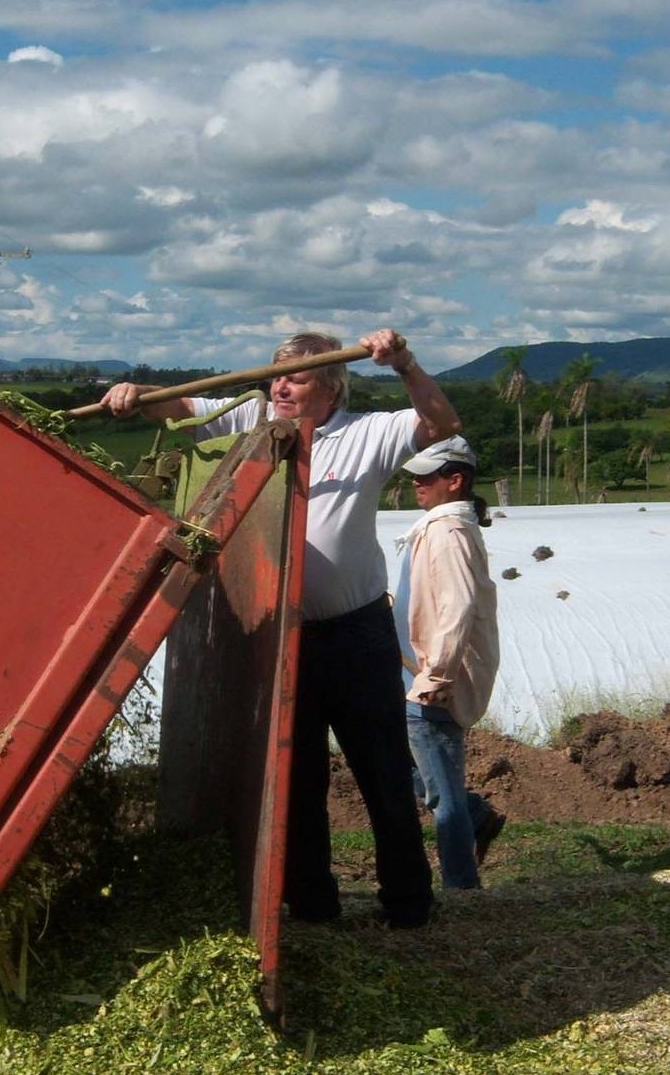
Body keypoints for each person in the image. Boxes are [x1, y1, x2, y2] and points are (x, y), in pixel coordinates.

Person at [99, 328, 460, 928]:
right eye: (276, 376)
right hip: (283, 636)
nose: (280, 386)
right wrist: (136, 393)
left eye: (297, 378)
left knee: (383, 771)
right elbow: (183, 404)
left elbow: (442, 424)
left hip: (356, 635)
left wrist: (405, 364)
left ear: (332, 387)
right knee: (299, 778)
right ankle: (312, 904)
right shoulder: (254, 419)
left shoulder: (366, 433)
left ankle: (408, 903)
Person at [392, 436, 505, 890]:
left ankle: (462, 887)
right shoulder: (436, 527)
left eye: (427, 476)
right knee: (407, 767)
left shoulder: (448, 532)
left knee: (442, 795)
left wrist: (436, 677)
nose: (417, 483)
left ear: (454, 480)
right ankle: (478, 817)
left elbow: (457, 607)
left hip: (432, 679)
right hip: (411, 672)